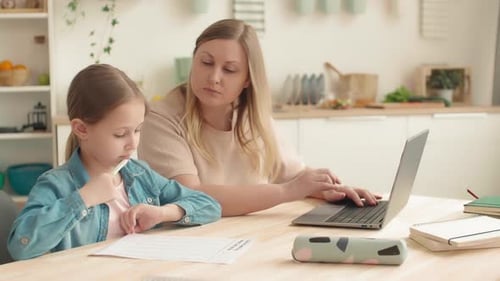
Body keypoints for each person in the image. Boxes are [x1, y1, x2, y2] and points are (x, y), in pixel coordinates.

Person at [138, 19, 381, 217]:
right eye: (206, 62)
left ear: (247, 80)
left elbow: (294, 176)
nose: (213, 77)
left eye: (229, 70)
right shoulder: (161, 117)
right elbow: (190, 196)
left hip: (250, 237)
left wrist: (329, 190)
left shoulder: (252, 117)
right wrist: (288, 191)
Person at [8, 64, 221, 260]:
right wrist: (83, 199)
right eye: (120, 134)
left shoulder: (140, 175)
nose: (133, 144)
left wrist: (162, 213)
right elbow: (21, 245)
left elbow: (210, 206)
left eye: (137, 130)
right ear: (81, 129)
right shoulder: (56, 184)